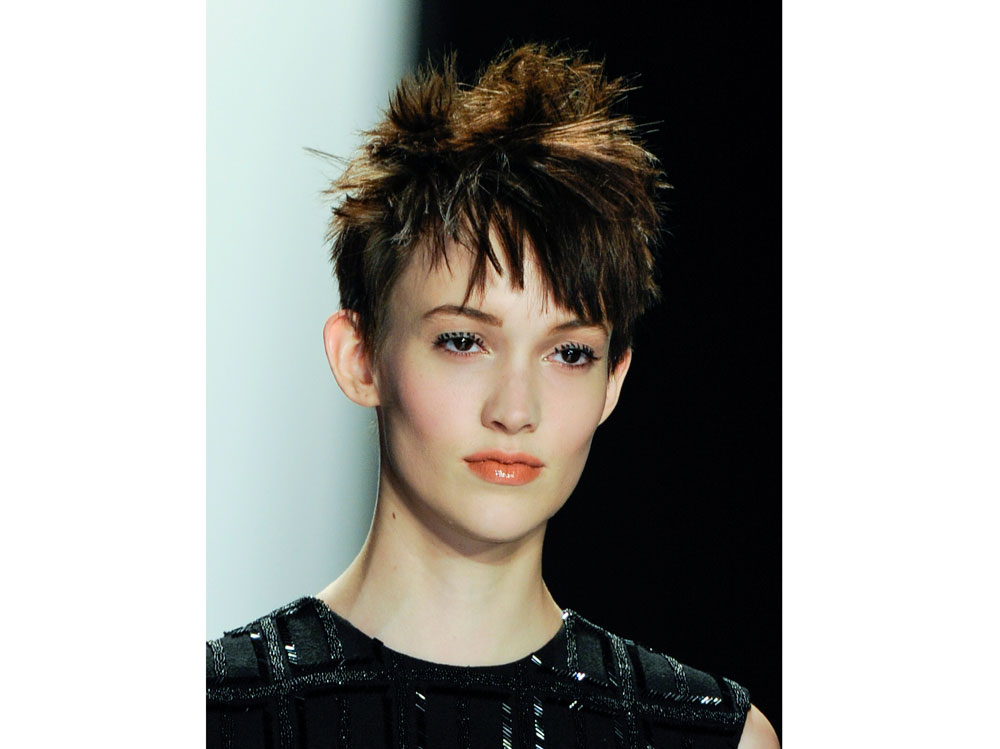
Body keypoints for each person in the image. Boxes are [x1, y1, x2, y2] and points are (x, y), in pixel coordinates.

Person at [207, 44, 778, 748]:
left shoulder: (710, 737)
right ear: (360, 358)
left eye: (569, 353)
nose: (515, 410)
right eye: (463, 341)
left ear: (613, 382)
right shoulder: (212, 716)